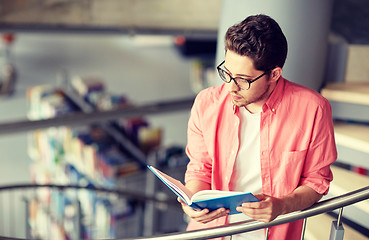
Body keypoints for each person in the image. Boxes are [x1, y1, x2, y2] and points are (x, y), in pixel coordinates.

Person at [179, 14, 337, 240]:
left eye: (243, 79)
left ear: (274, 74)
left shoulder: (313, 109)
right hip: (211, 233)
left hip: (275, 234)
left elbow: (317, 182)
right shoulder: (206, 103)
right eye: (227, 73)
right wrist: (192, 201)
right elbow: (200, 168)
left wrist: (282, 205)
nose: (231, 87)